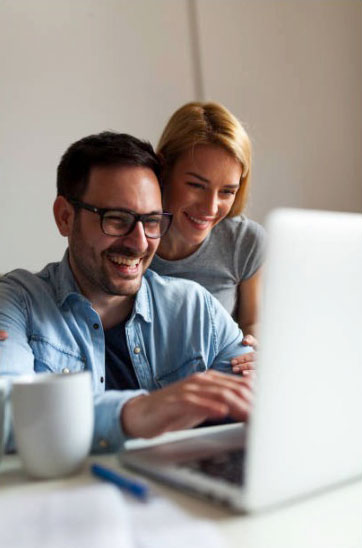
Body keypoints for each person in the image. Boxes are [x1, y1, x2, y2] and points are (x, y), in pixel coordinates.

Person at [0, 131, 253, 454]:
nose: (140, 242)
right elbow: (5, 412)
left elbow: (251, 401)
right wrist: (135, 412)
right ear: (65, 217)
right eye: (117, 219)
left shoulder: (195, 308)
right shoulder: (17, 302)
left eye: (151, 221)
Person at [151, 102, 265, 373]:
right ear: (163, 169)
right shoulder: (130, 236)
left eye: (226, 191)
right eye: (196, 185)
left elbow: (252, 323)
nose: (210, 208)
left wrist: (258, 349)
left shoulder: (244, 242)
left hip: (220, 393)